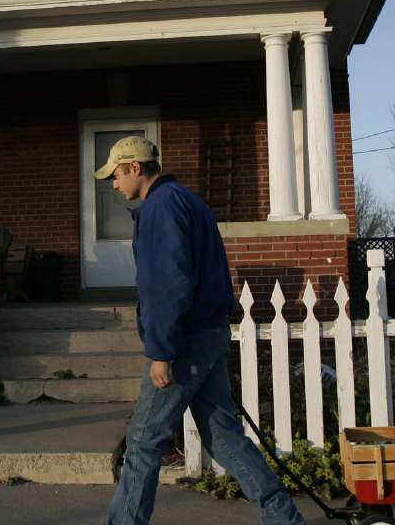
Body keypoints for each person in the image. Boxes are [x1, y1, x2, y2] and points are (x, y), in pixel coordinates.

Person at [96, 136, 305, 525]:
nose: (113, 183)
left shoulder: (160, 207)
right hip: (207, 332)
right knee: (223, 435)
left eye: (116, 174)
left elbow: (168, 284)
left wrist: (161, 351)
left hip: (184, 340)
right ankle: (283, 518)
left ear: (135, 168)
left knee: (143, 442)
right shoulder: (185, 199)